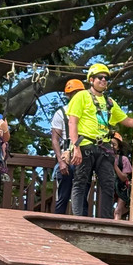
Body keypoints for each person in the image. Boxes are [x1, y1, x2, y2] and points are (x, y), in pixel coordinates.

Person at [67, 63, 133, 218]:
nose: (104, 80)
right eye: (100, 77)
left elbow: (127, 120)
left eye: (106, 78)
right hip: (85, 145)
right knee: (80, 182)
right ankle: (78, 218)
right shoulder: (81, 96)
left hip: (104, 148)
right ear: (91, 80)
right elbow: (73, 122)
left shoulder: (109, 101)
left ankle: (105, 220)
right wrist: (75, 147)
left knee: (108, 184)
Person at [51, 79, 86, 214]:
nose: (77, 95)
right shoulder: (61, 113)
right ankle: (57, 224)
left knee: (82, 195)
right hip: (67, 156)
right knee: (63, 196)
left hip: (84, 155)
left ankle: (82, 224)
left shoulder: (87, 112)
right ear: (68, 95)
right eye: (74, 93)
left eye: (79, 92)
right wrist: (60, 161)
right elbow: (55, 139)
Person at [110, 132, 133, 220]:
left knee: (118, 211)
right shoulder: (103, 159)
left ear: (118, 147)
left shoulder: (123, 160)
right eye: (110, 144)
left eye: (114, 145)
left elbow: (124, 178)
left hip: (121, 188)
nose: (111, 147)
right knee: (106, 209)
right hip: (109, 187)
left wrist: (114, 165)